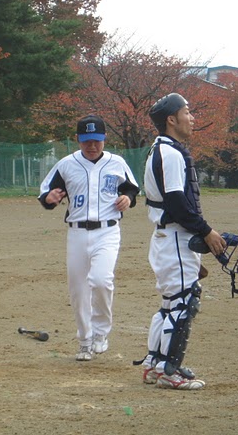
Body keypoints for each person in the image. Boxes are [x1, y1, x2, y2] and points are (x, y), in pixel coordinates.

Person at [138, 93, 226, 389]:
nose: (192, 117)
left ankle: (154, 364)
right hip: (176, 235)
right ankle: (169, 371)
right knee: (184, 302)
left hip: (169, 237)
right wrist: (206, 231)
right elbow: (177, 203)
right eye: (187, 112)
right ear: (171, 120)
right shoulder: (171, 153)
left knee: (170, 303)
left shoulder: (160, 149)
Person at [38, 115, 139, 361]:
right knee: (78, 290)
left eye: (96, 141)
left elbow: (131, 188)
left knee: (102, 281)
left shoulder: (116, 162)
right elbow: (46, 192)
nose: (92, 146)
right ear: (78, 140)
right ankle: (85, 340)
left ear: (104, 139)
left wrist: (128, 198)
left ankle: (101, 333)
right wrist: (49, 199)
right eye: (86, 141)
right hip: (77, 232)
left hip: (107, 231)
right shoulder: (66, 164)